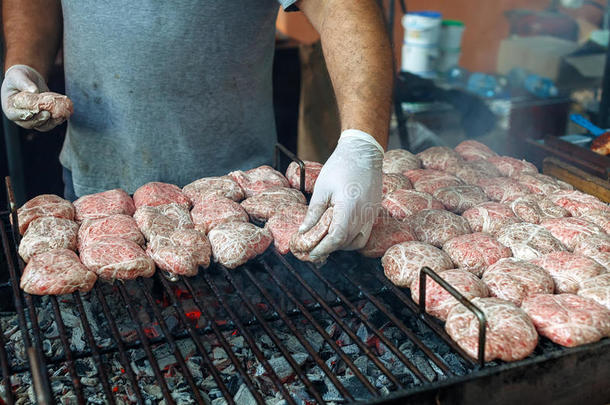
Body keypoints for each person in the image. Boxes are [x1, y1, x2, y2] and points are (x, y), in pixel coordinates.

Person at [1, 0, 393, 261]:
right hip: (96, 185)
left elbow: (341, 5)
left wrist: (362, 141)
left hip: (239, 200)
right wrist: (24, 64)